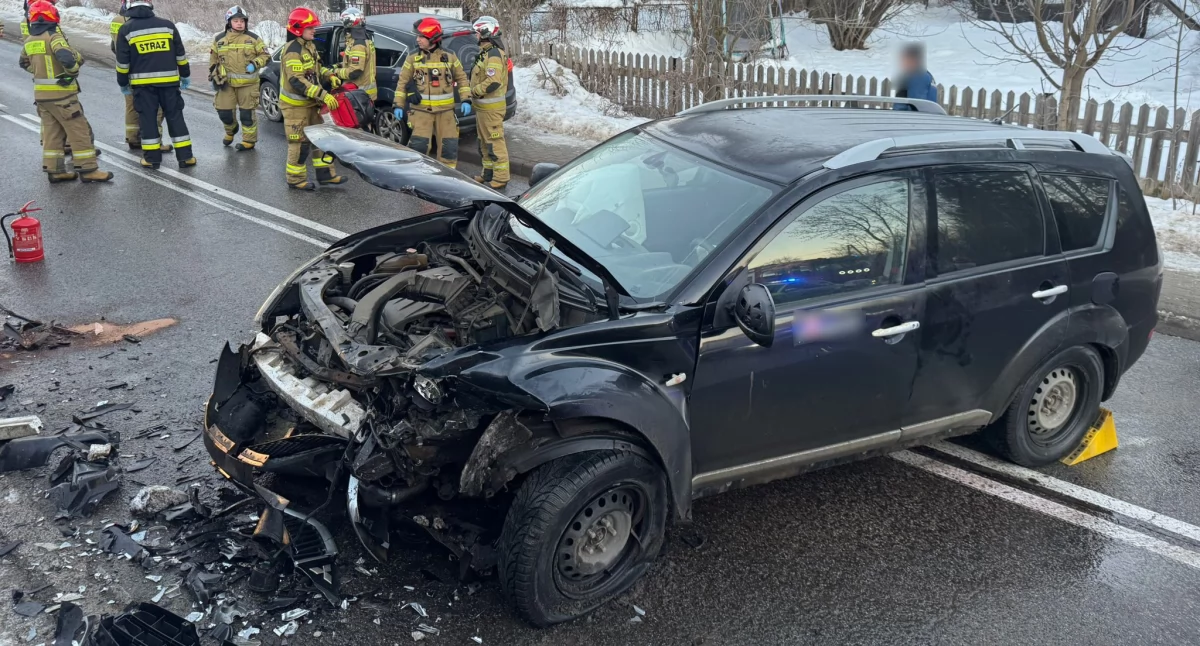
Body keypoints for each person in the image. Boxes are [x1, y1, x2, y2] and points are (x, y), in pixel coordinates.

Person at [20, 1, 112, 183]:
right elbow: (67, 59)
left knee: (52, 133)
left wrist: (40, 74)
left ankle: (55, 171)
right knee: (79, 131)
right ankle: (88, 170)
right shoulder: (54, 37)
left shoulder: (30, 40)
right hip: (62, 96)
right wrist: (71, 73)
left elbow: (23, 63)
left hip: (42, 97)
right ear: (52, 17)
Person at [115, 0, 195, 170]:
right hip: (169, 84)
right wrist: (185, 75)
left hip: (143, 86)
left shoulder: (126, 29)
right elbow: (180, 55)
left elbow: (123, 63)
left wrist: (123, 83)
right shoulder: (167, 26)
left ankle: (152, 159)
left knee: (148, 120)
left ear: (129, 8)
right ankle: (186, 157)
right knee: (176, 117)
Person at [279, 6, 346, 190]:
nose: (314, 31)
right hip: (295, 107)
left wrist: (329, 75)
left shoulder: (309, 46)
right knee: (299, 144)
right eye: (310, 28)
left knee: (321, 139)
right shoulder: (293, 51)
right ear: (299, 29)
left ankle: (326, 175)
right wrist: (323, 94)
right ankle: (295, 179)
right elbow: (297, 81)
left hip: (311, 103)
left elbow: (316, 70)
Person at [393, 17, 470, 169]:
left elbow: (462, 79)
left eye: (421, 36)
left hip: (446, 113)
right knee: (419, 148)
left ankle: (448, 179)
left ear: (433, 37)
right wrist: (398, 104)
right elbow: (402, 82)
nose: (418, 40)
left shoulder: (449, 56)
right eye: (418, 36)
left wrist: (466, 100)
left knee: (449, 149)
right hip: (421, 112)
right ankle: (420, 179)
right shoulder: (413, 57)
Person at [111, 0, 167, 151]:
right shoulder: (136, 22)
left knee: (131, 104)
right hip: (142, 69)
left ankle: (133, 137)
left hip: (125, 69)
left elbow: (114, 47)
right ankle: (155, 142)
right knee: (155, 106)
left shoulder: (116, 21)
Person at [209, 5, 268, 151]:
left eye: (242, 20)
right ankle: (231, 130)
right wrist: (213, 75)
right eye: (236, 20)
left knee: (247, 114)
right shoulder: (219, 39)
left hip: (248, 84)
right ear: (229, 22)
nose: (240, 23)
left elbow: (266, 55)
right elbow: (213, 60)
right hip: (225, 84)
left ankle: (248, 140)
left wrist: (255, 64)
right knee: (224, 112)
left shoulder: (253, 38)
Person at [468, 15, 508, 189]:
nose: (475, 36)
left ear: (485, 32)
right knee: (484, 144)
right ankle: (488, 174)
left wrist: (475, 91)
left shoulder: (493, 55)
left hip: (491, 110)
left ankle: (501, 177)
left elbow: (493, 81)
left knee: (494, 143)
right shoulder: (485, 53)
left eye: (477, 32)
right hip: (483, 109)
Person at [333, 7, 377, 101]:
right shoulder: (365, 39)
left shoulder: (358, 44)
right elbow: (358, 62)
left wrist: (336, 72)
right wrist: (339, 65)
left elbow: (355, 71)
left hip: (359, 94)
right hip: (364, 94)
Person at [893, 43, 938, 111]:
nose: (903, 63)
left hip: (912, 119)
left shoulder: (919, 77)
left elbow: (916, 105)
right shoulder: (922, 75)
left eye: (906, 60)